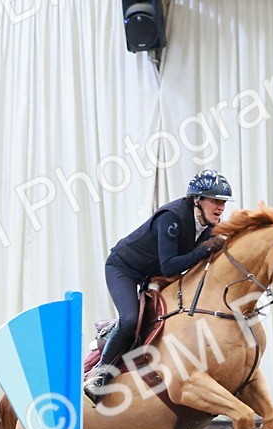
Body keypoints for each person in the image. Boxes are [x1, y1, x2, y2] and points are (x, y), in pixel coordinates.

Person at [83, 169, 234, 401]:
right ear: (197, 199)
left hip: (151, 274)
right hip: (123, 268)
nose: (220, 207)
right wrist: (204, 250)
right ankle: (100, 371)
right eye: (215, 201)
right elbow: (170, 267)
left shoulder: (209, 227)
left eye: (223, 202)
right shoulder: (171, 218)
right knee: (131, 319)